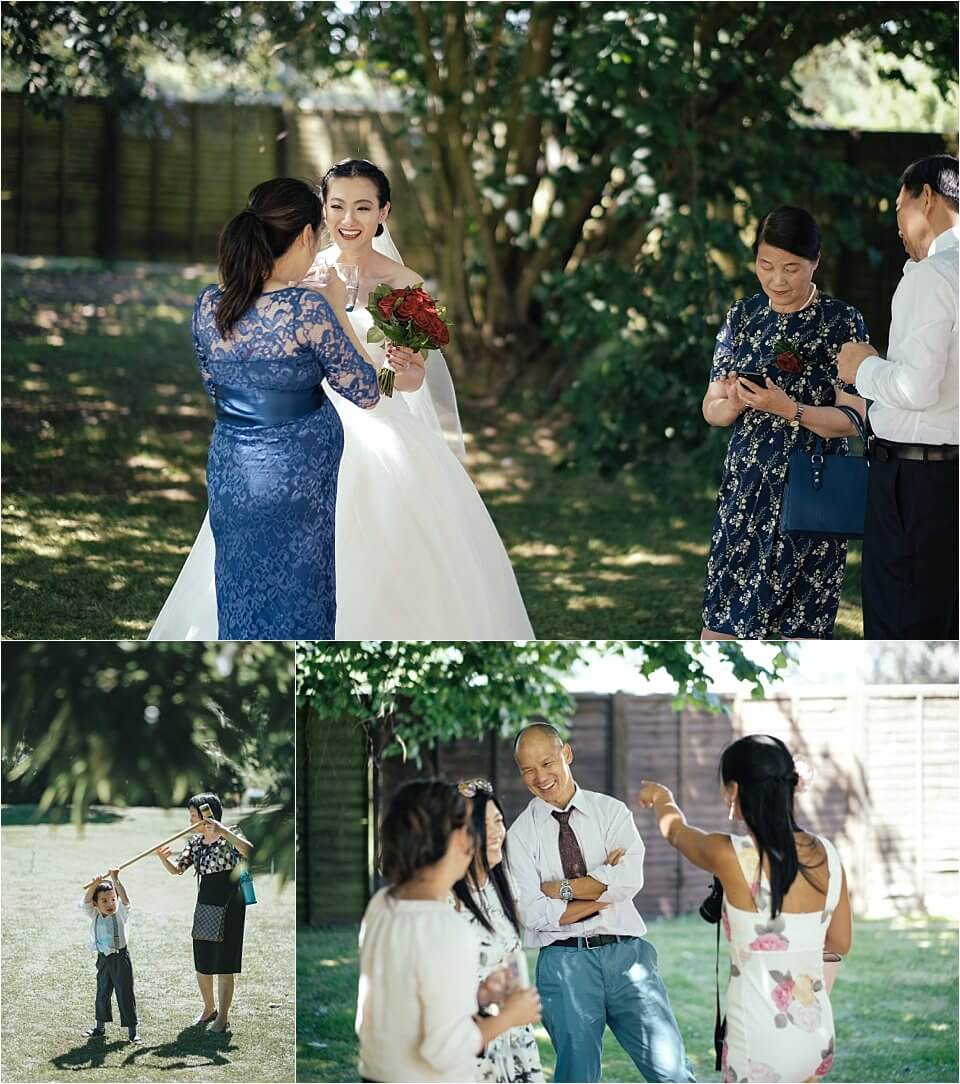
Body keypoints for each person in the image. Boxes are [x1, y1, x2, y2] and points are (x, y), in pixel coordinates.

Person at [148, 160, 534, 640]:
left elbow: (406, 380)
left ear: (383, 213)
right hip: (304, 426)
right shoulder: (297, 267)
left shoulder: (404, 283)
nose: (348, 219)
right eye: (336, 207)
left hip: (378, 425)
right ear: (319, 216)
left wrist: (406, 368)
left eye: (363, 207)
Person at [157, 177, 381, 640]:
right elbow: (365, 390)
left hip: (231, 471)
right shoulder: (306, 309)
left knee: (238, 585)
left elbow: (214, 386)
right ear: (303, 236)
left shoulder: (208, 305)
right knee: (302, 592)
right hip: (295, 478)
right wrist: (337, 306)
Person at [636, 734, 852, 1084]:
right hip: (815, 1037)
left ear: (733, 791)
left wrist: (663, 797)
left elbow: (676, 832)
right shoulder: (828, 855)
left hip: (758, 1042)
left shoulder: (728, 854)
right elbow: (839, 943)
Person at [701, 206, 869, 639]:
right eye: (766, 265)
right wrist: (736, 402)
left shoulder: (842, 322)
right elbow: (711, 409)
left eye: (792, 268)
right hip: (746, 494)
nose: (777, 279)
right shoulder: (743, 317)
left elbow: (853, 420)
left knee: (803, 635)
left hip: (811, 495)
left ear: (815, 262)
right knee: (722, 626)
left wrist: (788, 408)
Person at [507, 724, 693, 1084]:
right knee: (577, 1077)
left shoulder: (611, 812)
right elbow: (531, 912)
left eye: (547, 763)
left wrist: (559, 889)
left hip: (628, 958)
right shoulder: (519, 835)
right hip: (564, 964)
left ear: (567, 754)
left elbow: (628, 881)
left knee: (672, 1071)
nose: (540, 777)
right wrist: (600, 892)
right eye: (528, 769)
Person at [837, 154, 959, 638]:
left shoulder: (932, 277)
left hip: (916, 484)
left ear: (925, 198)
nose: (896, 226)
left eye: (897, 208)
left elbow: (915, 388)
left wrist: (860, 367)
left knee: (902, 628)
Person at [356, 779, 541, 1084]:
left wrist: (479, 995)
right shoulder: (446, 927)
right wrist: (510, 1017)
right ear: (458, 840)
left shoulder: (382, 904)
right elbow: (445, 1050)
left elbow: (410, 996)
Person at [452, 778, 545, 1083]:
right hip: (472, 1040)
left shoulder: (501, 884)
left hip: (513, 1035)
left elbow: (545, 913)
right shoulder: (446, 900)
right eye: (483, 823)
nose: (496, 832)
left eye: (498, 820)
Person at [155, 793, 253, 1033]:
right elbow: (178, 869)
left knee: (224, 960)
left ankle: (223, 1017)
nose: (190, 821)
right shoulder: (196, 842)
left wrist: (221, 830)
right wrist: (162, 859)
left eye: (193, 816)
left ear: (208, 815)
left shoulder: (231, 833)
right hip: (206, 902)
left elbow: (249, 851)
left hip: (230, 901)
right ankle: (209, 1008)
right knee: (203, 957)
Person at [80, 868, 141, 1044]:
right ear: (96, 904)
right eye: (104, 900)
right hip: (103, 960)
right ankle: (100, 1027)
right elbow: (86, 901)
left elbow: (125, 899)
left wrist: (115, 879)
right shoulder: (94, 914)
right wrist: (94, 885)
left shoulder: (121, 913)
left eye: (113, 899)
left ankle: (132, 1032)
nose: (110, 903)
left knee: (125, 993)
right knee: (102, 992)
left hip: (120, 959)